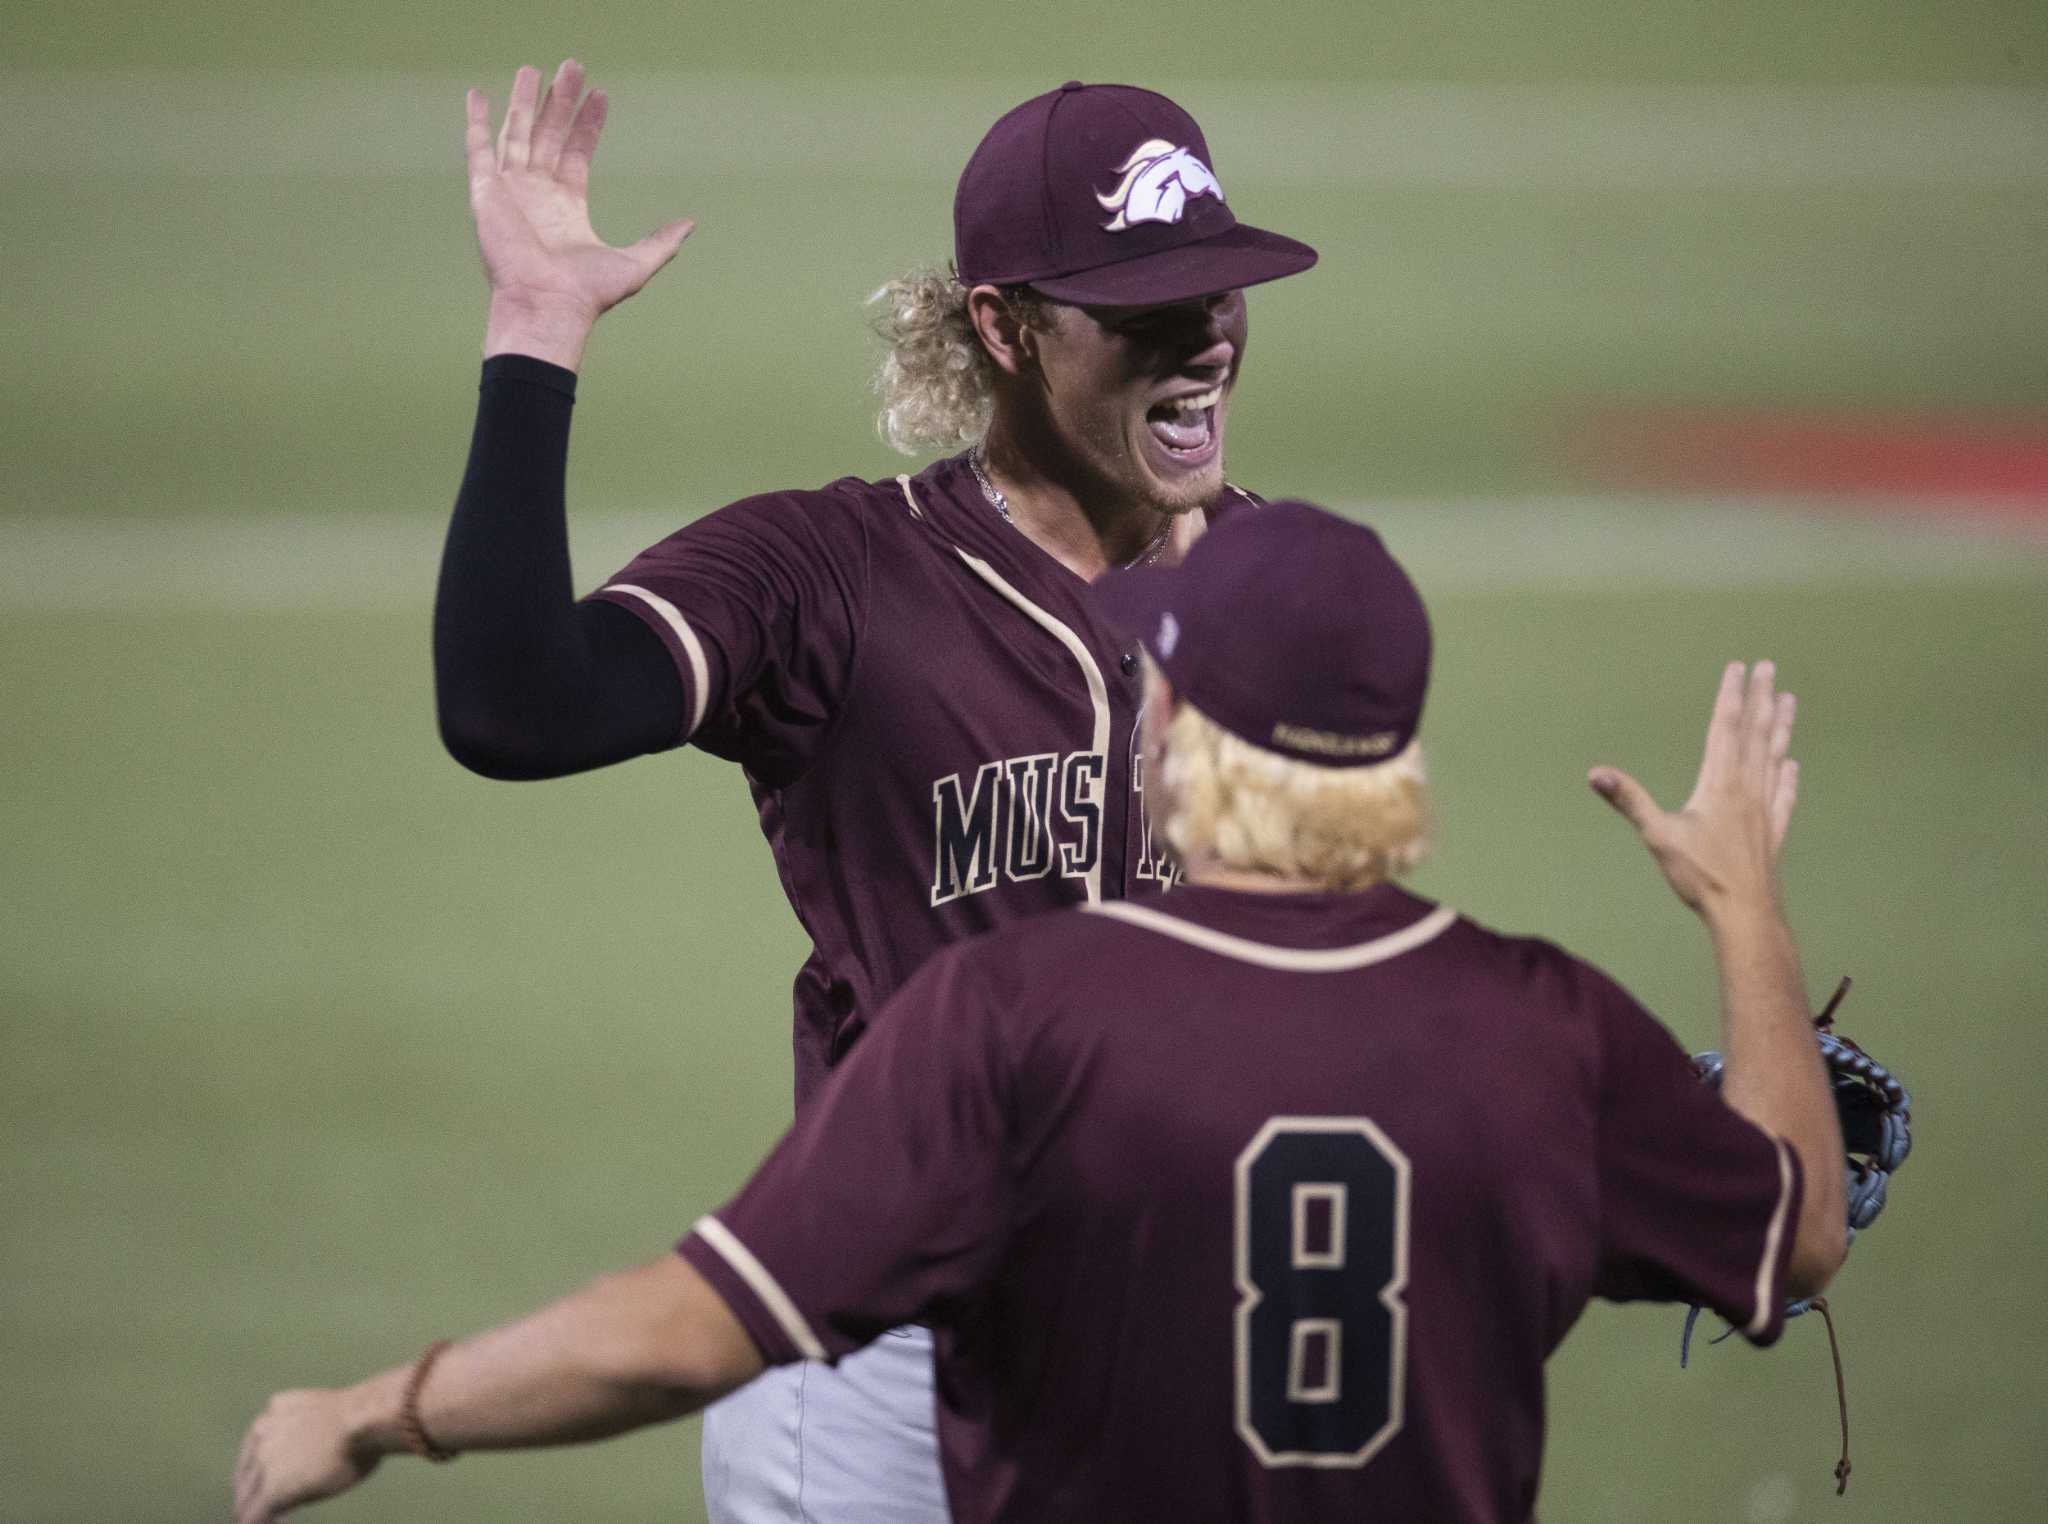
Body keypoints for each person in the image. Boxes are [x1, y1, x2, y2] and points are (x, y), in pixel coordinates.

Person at [238, 502, 1847, 1524]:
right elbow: (1794, 1224)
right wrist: (1743, 912)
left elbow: (681, 1335)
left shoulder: (1022, 1022)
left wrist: (378, 1413)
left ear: (1174, 723)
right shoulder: (1543, 1031)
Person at [435, 57, 1317, 1522]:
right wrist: (536, 330)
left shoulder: (1288, 592)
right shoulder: (833, 580)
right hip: (884, 1377)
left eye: (1218, 291)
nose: (1204, 340)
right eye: (1144, 309)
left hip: (1176, 1351)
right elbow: (513, 703)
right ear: (1006, 328)